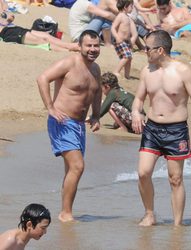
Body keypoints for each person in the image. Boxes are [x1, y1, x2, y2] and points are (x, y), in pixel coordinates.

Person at [132, 30, 191, 226]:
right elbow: (138, 99)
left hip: (176, 130)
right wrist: (136, 112)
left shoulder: (183, 71)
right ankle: (149, 214)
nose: (145, 51)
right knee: (143, 173)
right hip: (152, 129)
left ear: (160, 50)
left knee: (175, 178)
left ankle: (177, 225)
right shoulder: (147, 71)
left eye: (147, 48)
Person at [37, 30, 102, 222]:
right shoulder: (69, 63)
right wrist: (50, 107)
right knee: (77, 166)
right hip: (62, 121)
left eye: (96, 45)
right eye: (88, 45)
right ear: (80, 46)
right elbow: (42, 78)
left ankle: (65, 211)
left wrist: (97, 115)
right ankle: (66, 214)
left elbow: (97, 92)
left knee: (71, 170)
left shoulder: (95, 69)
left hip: (79, 125)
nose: (92, 49)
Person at [0, 12, 80, 52]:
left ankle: (70, 46)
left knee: (45, 35)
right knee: (42, 42)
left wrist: (9, 20)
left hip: (13, 28)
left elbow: (4, 23)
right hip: (7, 33)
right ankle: (68, 51)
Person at [111, 0, 138, 79]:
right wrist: (117, 37)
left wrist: (130, 42)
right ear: (125, 7)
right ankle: (116, 71)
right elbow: (113, 27)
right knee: (127, 57)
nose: (132, 8)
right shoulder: (120, 16)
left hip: (126, 42)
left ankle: (127, 75)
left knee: (129, 59)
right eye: (131, 6)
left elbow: (130, 32)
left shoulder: (128, 17)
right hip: (120, 41)